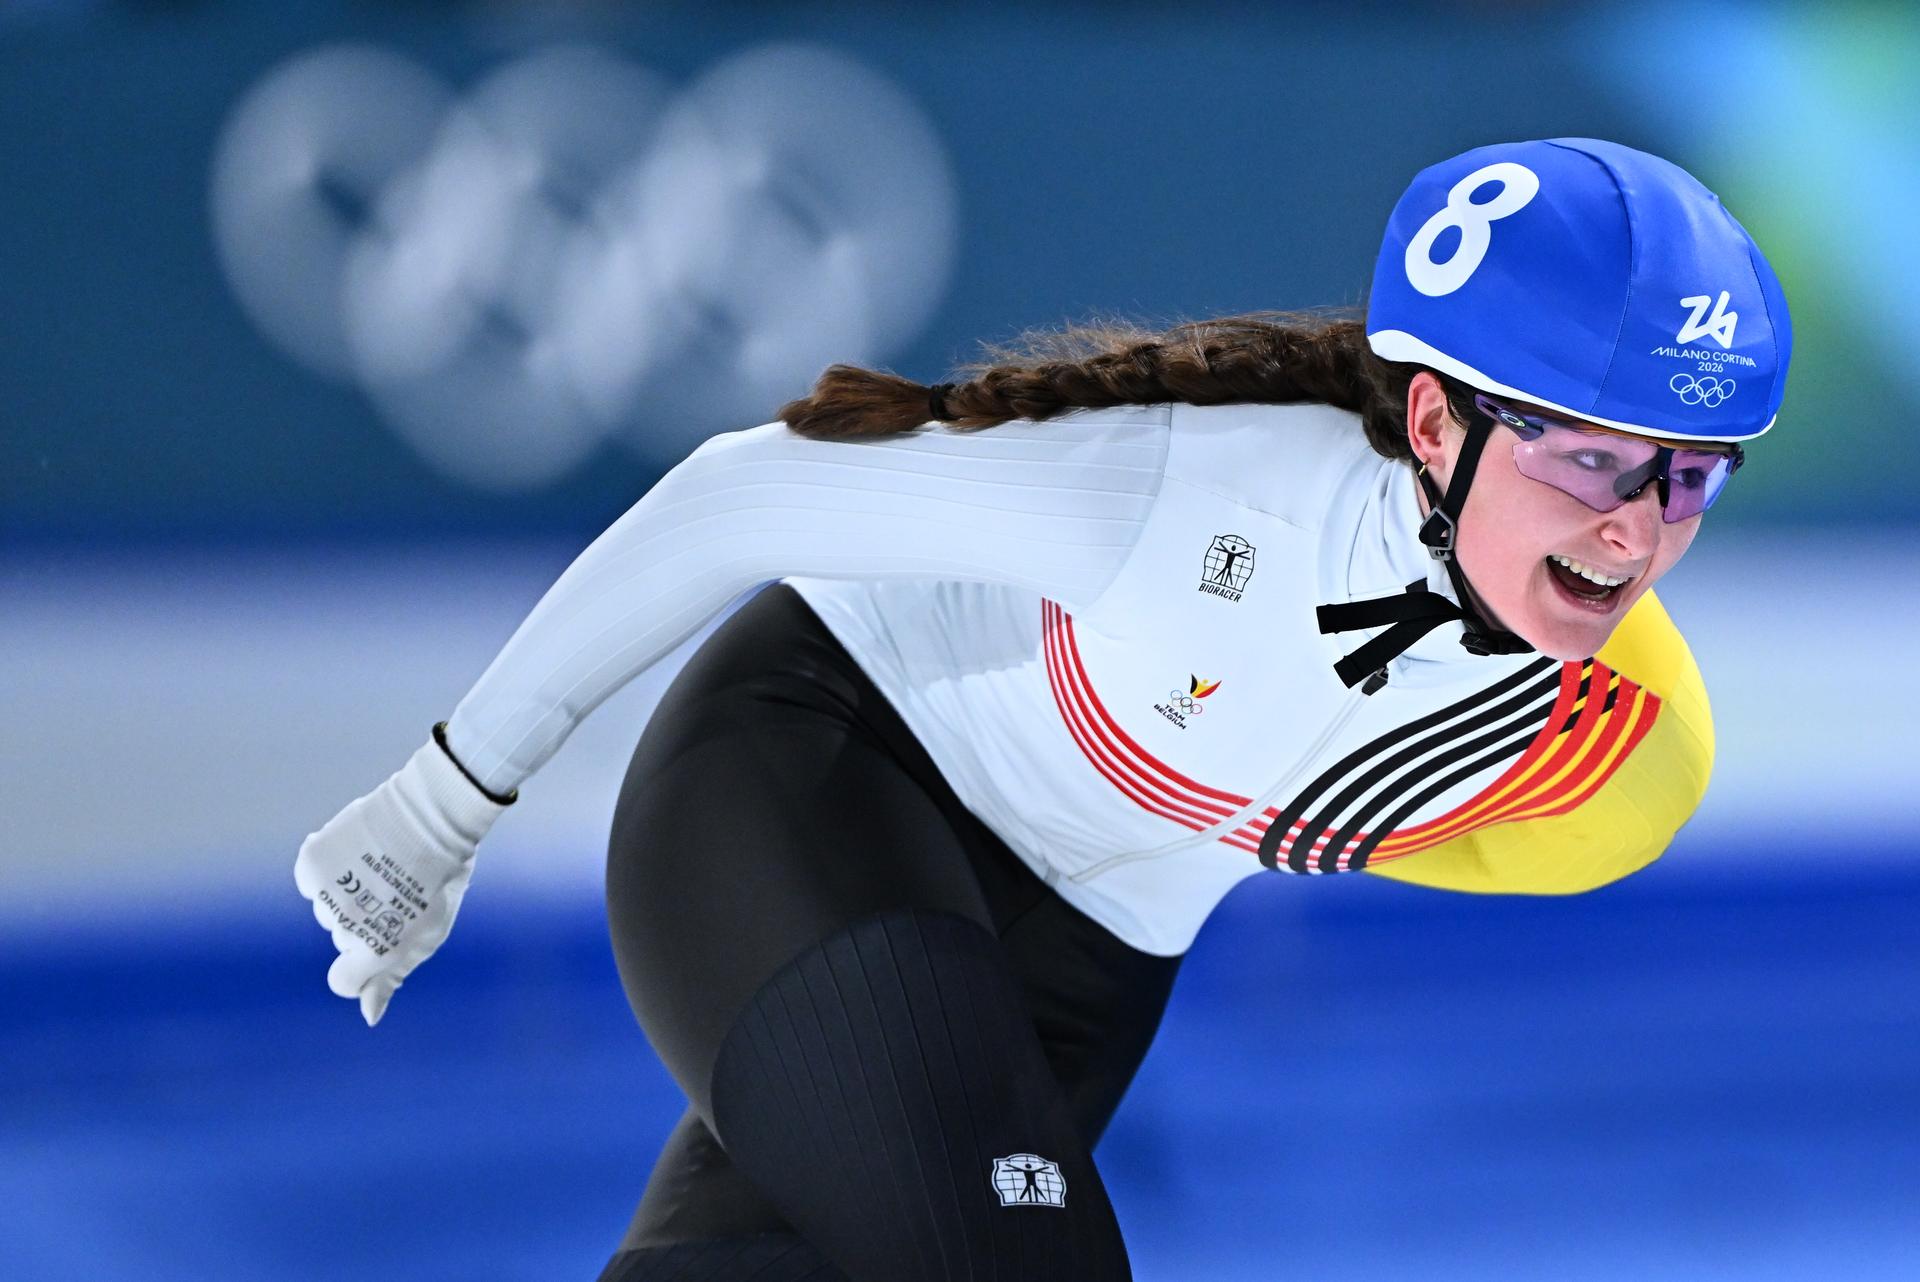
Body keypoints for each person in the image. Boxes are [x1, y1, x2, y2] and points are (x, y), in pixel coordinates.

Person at [295, 137, 1791, 1280]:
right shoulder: (1191, 487)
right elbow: (734, 498)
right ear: (1432, 419)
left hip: (1085, 952)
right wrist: (439, 806)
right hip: (820, 781)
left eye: (1696, 470)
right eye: (1593, 457)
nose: (1639, 529)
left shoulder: (1616, 731)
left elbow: (1368, 801)